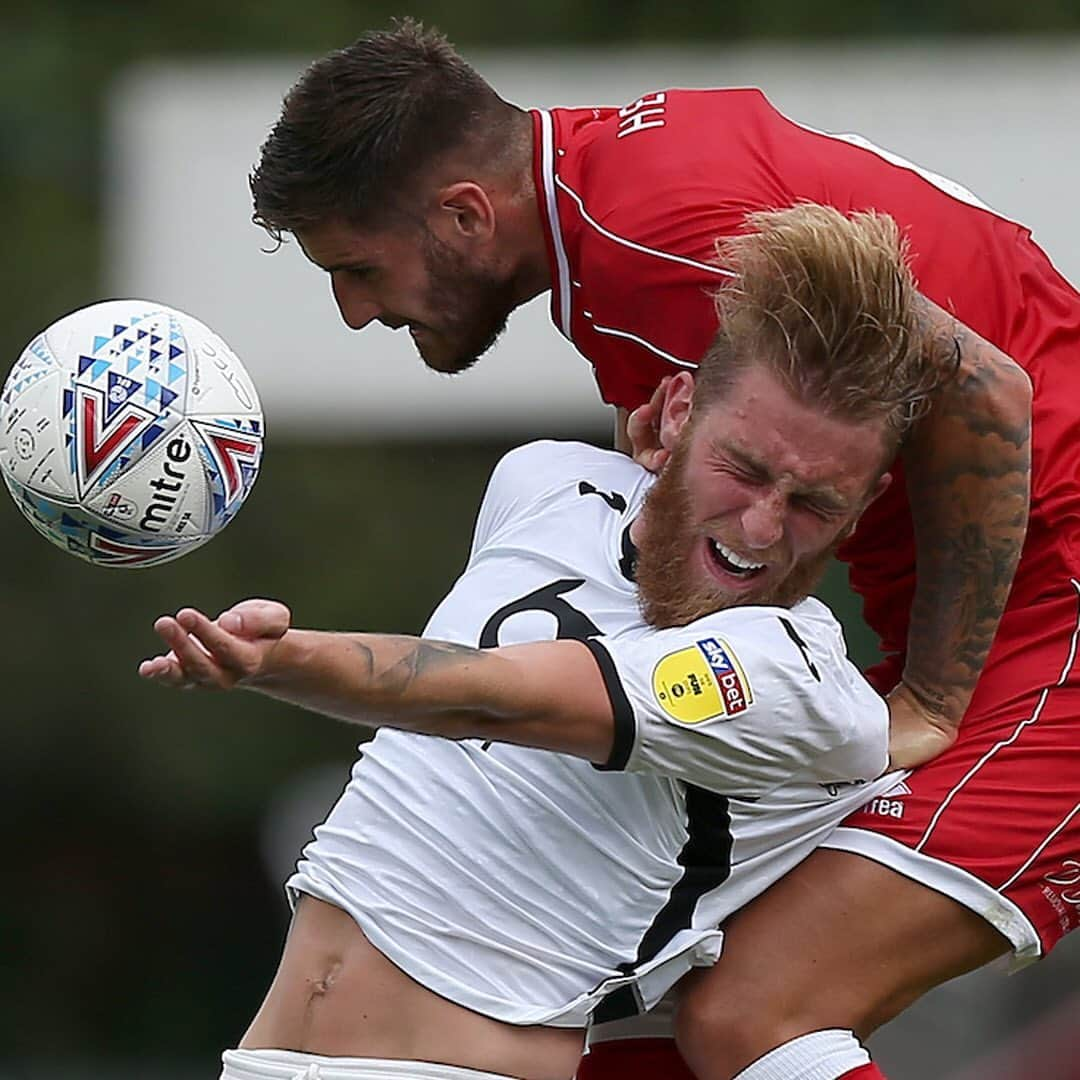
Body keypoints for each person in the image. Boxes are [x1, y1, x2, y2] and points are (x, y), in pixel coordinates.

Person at [248, 22, 1080, 1079]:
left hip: (1058, 619)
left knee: (755, 1012)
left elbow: (992, 393)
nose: (357, 309)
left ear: (464, 214)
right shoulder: (610, 221)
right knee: (633, 999)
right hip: (1003, 615)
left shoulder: (655, 226)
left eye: (360, 268)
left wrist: (929, 702)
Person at [141, 207, 946, 1080]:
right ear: (674, 413)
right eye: (744, 468)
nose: (760, 525)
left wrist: (282, 658)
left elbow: (494, 694)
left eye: (814, 504)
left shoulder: (791, 677)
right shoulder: (543, 481)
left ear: (862, 514)